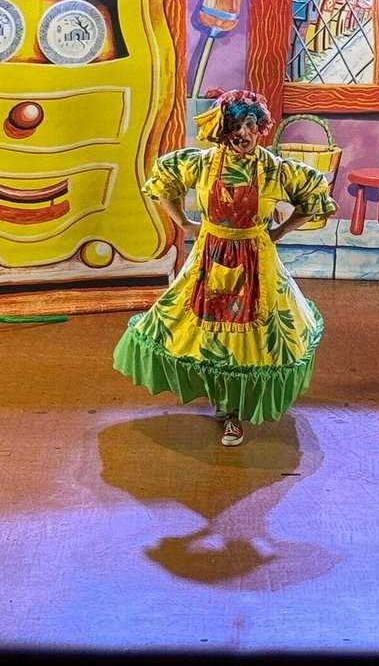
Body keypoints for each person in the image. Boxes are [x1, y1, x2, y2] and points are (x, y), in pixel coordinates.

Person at [112, 90, 336, 447]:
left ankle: (233, 412)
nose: (242, 133)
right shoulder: (202, 164)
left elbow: (313, 195)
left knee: (249, 339)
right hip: (209, 256)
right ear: (222, 129)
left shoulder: (273, 169)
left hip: (256, 261)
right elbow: (164, 180)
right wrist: (184, 223)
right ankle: (221, 399)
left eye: (249, 125)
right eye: (234, 125)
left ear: (260, 127)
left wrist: (278, 232)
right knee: (204, 332)